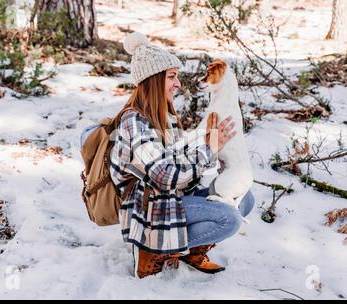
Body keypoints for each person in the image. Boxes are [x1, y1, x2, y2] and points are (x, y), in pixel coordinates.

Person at [109, 32, 255, 279]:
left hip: (170, 196)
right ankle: (150, 251)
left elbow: (179, 160)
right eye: (172, 77)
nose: (178, 84)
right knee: (229, 218)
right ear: (153, 79)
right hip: (147, 208)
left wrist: (214, 148)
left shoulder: (165, 116)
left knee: (244, 198)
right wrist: (209, 148)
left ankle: (187, 249)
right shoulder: (135, 122)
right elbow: (165, 176)